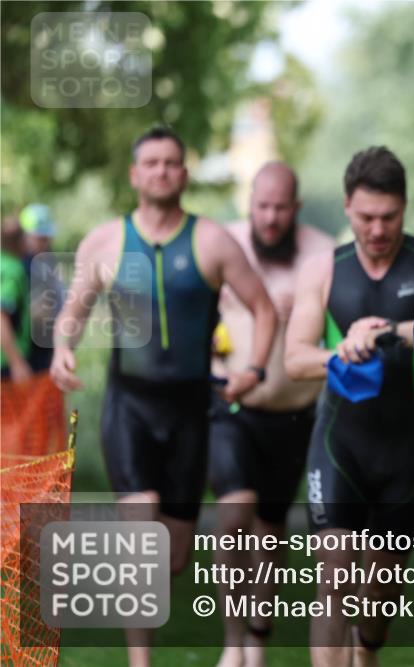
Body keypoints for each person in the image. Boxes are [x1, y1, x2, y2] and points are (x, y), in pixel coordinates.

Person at [50, 127, 277, 667]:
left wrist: (253, 368)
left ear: (185, 173)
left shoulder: (213, 242)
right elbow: (73, 312)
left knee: (171, 558)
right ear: (135, 174)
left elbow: (264, 309)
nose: (161, 172)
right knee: (140, 526)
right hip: (129, 406)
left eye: (171, 163)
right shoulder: (105, 241)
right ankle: (140, 663)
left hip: (190, 411)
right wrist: (62, 349)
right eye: (150, 163)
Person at [285, 146, 414, 667]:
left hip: (406, 447)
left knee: (375, 609)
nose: (377, 228)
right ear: (348, 207)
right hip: (340, 442)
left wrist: (392, 332)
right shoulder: (324, 269)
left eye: (389, 216)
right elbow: (295, 359)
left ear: (404, 207)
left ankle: (365, 654)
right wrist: (340, 350)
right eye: (367, 217)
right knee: (335, 576)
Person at [209, 161, 335, 667]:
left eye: (281, 207)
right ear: (250, 204)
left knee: (270, 530)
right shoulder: (225, 244)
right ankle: (232, 640)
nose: (270, 217)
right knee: (234, 512)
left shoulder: (321, 252)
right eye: (262, 206)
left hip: (294, 414)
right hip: (232, 407)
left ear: (296, 207)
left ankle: (256, 644)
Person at [19, 203, 65, 372]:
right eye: (40, 238)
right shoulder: (18, 265)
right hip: (25, 353)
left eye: (47, 237)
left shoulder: (48, 261)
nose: (45, 242)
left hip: (46, 350)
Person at [1, 216, 32, 382]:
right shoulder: (13, 271)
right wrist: (16, 362)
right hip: (5, 361)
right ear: (19, 241)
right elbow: (1, 317)